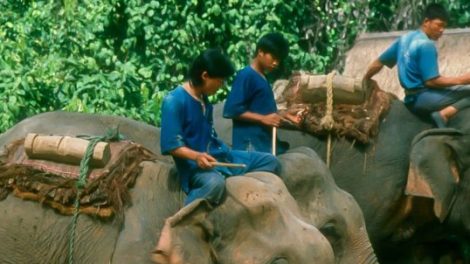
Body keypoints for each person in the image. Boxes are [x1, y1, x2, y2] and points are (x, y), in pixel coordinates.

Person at [160, 48, 281, 206]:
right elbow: (171, 145)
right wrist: (197, 156)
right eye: (220, 81)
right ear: (205, 76)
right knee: (214, 184)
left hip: (220, 156)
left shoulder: (204, 99)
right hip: (194, 166)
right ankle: (180, 223)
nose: (221, 85)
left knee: (270, 161)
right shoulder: (174, 101)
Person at [363, 3, 470, 128]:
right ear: (426, 22)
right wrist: (463, 79)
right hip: (423, 99)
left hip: (409, 98)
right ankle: (444, 114)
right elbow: (431, 82)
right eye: (439, 25)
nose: (442, 30)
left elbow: (378, 63)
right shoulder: (426, 45)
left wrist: (365, 79)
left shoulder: (404, 39)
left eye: (444, 27)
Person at [223, 32, 293, 154]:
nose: (276, 63)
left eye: (279, 60)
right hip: (251, 144)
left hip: (264, 141)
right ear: (260, 52)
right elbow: (231, 110)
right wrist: (262, 119)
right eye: (274, 57)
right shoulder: (246, 75)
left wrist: (284, 115)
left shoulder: (263, 77)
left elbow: (263, 111)